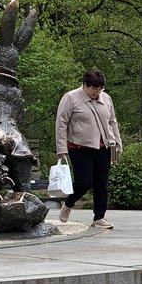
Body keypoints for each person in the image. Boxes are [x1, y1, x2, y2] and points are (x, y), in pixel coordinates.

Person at [55, 69, 123, 229]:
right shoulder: (71, 98)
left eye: (100, 89)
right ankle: (69, 203)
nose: (96, 92)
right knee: (84, 181)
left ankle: (99, 217)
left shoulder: (106, 98)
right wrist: (61, 147)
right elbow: (61, 122)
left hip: (104, 146)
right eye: (93, 89)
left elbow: (112, 121)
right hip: (79, 146)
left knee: (101, 183)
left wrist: (117, 141)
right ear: (85, 85)